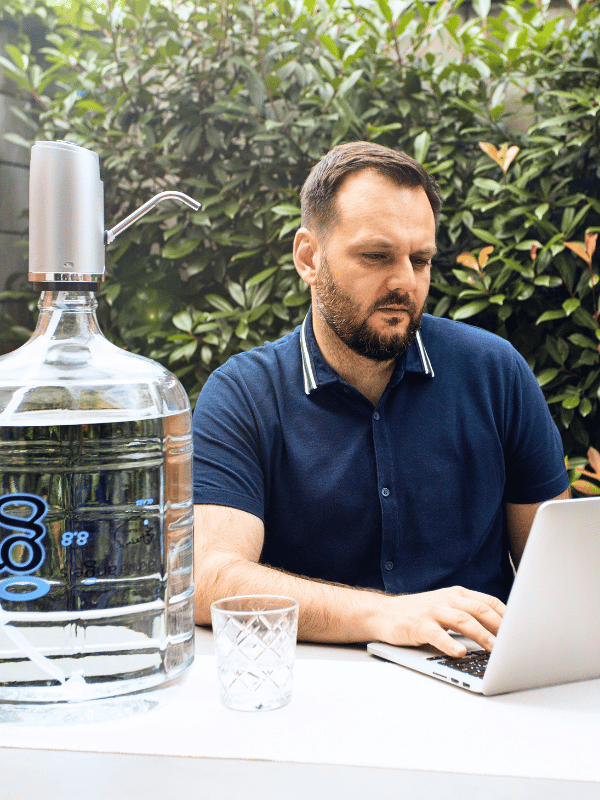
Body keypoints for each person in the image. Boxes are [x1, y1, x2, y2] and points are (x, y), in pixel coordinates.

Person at [192, 141, 570, 657]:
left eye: (421, 260)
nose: (405, 282)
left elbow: (558, 579)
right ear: (309, 257)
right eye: (376, 256)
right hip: (319, 685)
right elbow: (209, 578)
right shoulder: (243, 395)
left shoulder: (495, 372)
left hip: (475, 674)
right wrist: (388, 614)